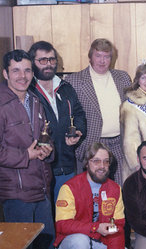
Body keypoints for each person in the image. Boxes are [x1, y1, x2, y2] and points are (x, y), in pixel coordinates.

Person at [0, 49, 54, 249]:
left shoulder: (36, 100)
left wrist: (47, 150)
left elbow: (43, 137)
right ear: (5, 74)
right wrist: (26, 155)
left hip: (42, 190)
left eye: (27, 71)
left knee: (46, 243)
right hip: (16, 195)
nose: (22, 76)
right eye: (16, 71)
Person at [66, 38, 132, 185]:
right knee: (92, 192)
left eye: (106, 56)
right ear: (90, 57)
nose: (102, 61)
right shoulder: (74, 80)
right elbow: (68, 115)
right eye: (98, 56)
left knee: (120, 190)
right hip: (92, 144)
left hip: (119, 144)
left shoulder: (123, 78)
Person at [28, 41, 87, 201]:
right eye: (43, 60)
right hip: (40, 167)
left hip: (67, 165)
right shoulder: (28, 91)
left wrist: (78, 131)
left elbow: (79, 114)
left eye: (52, 59)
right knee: (45, 219)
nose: (48, 64)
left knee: (65, 215)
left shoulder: (65, 87)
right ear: (32, 62)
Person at [54, 142, 125, 249]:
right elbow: (62, 225)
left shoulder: (115, 189)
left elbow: (118, 225)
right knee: (81, 241)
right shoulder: (69, 188)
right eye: (96, 161)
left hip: (100, 241)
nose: (102, 166)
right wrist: (95, 227)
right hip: (73, 240)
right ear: (87, 163)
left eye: (106, 162)